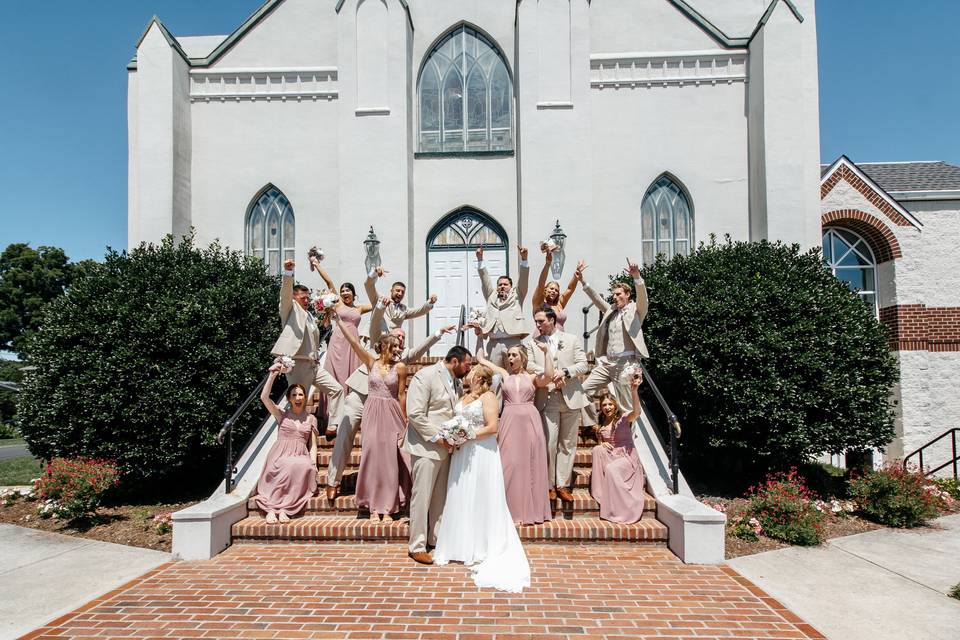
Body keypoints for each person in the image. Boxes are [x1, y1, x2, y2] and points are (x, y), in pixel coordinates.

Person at [325, 298, 455, 501]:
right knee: (346, 428)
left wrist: (438, 333)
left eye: (403, 338)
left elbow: (420, 349)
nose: (401, 340)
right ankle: (333, 480)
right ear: (388, 339)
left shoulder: (402, 360)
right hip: (360, 395)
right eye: (398, 336)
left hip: (386, 405)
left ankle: (400, 488)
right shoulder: (374, 351)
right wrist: (376, 308)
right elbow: (368, 328)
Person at [433, 365, 531, 593]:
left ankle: (481, 546)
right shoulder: (463, 395)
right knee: (462, 495)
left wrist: (466, 435)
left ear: (479, 377)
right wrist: (454, 435)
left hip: (481, 452)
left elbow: (493, 427)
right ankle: (461, 545)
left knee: (481, 496)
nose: (468, 371)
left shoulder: (488, 397)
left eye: (472, 370)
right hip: (463, 453)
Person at [331, 310, 410, 519]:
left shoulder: (401, 367)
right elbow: (354, 343)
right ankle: (374, 506)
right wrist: (339, 322)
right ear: (383, 347)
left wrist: (405, 420)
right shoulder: (371, 362)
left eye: (398, 346)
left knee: (390, 459)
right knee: (372, 455)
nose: (397, 349)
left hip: (392, 413)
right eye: (393, 346)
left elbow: (402, 395)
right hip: (373, 411)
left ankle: (389, 505)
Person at [403, 345, 474, 565]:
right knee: (421, 497)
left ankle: (436, 539)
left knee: (440, 498)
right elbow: (415, 413)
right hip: (426, 447)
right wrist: (437, 438)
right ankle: (416, 545)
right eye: (467, 364)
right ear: (455, 361)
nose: (469, 368)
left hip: (446, 448)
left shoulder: (456, 382)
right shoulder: (425, 376)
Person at [476, 343, 553, 525]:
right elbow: (483, 361)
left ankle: (531, 511)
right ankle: (510, 510)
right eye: (509, 355)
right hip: (509, 420)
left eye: (514, 355)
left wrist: (547, 352)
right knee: (509, 463)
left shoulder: (532, 377)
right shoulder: (504, 374)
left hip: (530, 421)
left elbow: (549, 376)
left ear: (522, 358)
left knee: (530, 463)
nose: (510, 358)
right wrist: (480, 338)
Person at [271, 258, 344, 434]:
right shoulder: (289, 310)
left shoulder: (309, 315)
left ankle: (333, 425)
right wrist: (288, 273)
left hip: (314, 365)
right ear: (295, 298)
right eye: (303, 298)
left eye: (307, 297)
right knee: (297, 402)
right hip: (298, 365)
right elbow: (285, 295)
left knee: (337, 390)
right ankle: (288, 435)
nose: (306, 300)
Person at [525, 307, 589, 503]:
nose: (537, 325)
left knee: (568, 444)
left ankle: (562, 484)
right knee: (549, 442)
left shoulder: (572, 339)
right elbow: (530, 366)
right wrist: (552, 376)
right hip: (548, 397)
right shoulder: (532, 344)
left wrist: (566, 373)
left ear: (552, 320)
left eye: (541, 321)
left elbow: (583, 364)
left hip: (571, 397)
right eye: (536, 322)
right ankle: (549, 485)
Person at [579, 259, 649, 412]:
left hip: (625, 364)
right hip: (606, 364)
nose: (615, 298)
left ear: (627, 295)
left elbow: (643, 298)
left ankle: (629, 436)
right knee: (582, 390)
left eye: (618, 294)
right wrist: (583, 281)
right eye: (613, 295)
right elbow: (597, 300)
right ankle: (599, 423)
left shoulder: (636, 310)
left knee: (627, 408)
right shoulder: (611, 310)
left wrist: (636, 276)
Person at [254, 365, 318, 524]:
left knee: (304, 467)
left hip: (300, 454)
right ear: (289, 398)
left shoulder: (311, 419)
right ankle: (271, 509)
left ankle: (284, 509)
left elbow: (313, 445)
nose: (298, 397)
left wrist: (314, 461)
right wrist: (272, 375)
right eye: (294, 394)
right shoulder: (281, 414)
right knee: (286, 465)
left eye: (301, 394)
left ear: (305, 398)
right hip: (281, 453)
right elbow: (264, 397)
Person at [315, 259, 374, 414]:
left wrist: (377, 281)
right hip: (338, 342)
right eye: (343, 290)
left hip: (353, 344)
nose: (345, 292)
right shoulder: (338, 303)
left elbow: (376, 303)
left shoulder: (359, 308)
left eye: (348, 290)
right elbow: (329, 281)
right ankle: (331, 412)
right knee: (334, 372)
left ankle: (349, 409)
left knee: (352, 372)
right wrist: (316, 264)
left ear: (354, 294)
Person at [591, 373, 647, 524]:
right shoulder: (601, 426)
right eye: (604, 405)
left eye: (610, 404)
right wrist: (601, 444)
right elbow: (602, 446)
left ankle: (624, 506)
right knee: (597, 450)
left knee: (612, 469)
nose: (607, 407)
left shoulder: (624, 418)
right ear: (601, 408)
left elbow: (637, 412)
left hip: (626, 457)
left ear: (615, 405)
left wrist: (634, 390)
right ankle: (602, 493)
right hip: (612, 456)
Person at [474, 244, 530, 368]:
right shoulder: (491, 295)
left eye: (505, 284)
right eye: (500, 284)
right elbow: (485, 280)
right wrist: (480, 259)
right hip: (493, 343)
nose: (502, 286)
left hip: (513, 342)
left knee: (514, 375)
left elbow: (523, 280)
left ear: (511, 286)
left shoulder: (517, 294)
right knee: (495, 377)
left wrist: (524, 259)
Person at [530, 244, 586, 336]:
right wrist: (548, 264)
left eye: (556, 290)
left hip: (559, 340)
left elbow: (569, 289)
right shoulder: (539, 303)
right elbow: (541, 284)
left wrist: (576, 275)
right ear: (545, 290)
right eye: (551, 288)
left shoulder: (559, 304)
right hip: (542, 339)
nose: (554, 291)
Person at [365, 265, 437, 335]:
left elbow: (420, 311)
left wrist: (430, 302)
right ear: (391, 291)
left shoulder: (404, 309)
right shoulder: (380, 300)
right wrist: (375, 271)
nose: (400, 293)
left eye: (402, 292)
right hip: (375, 341)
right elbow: (369, 286)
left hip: (391, 343)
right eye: (397, 290)